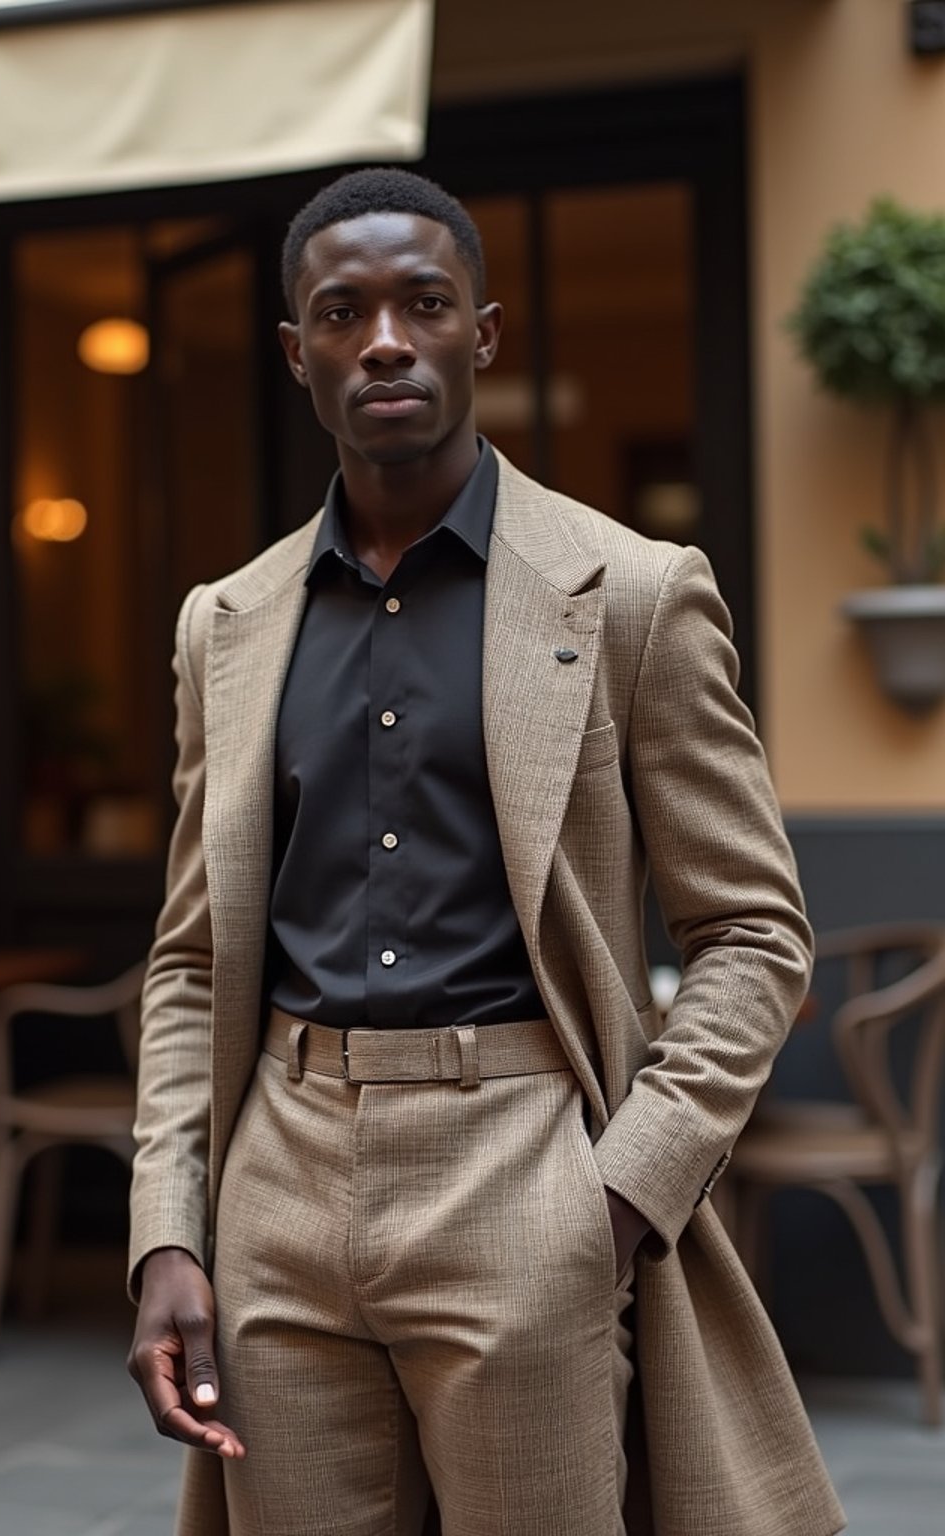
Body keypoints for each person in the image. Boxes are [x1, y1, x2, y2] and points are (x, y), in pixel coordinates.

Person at [127, 166, 845, 1536]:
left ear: (483, 334)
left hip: (525, 1171)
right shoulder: (225, 623)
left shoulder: (632, 592)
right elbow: (190, 960)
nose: (384, 339)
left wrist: (622, 1199)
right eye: (342, 313)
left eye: (423, 305)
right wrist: (170, 1222)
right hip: (277, 1181)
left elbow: (754, 932)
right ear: (298, 354)